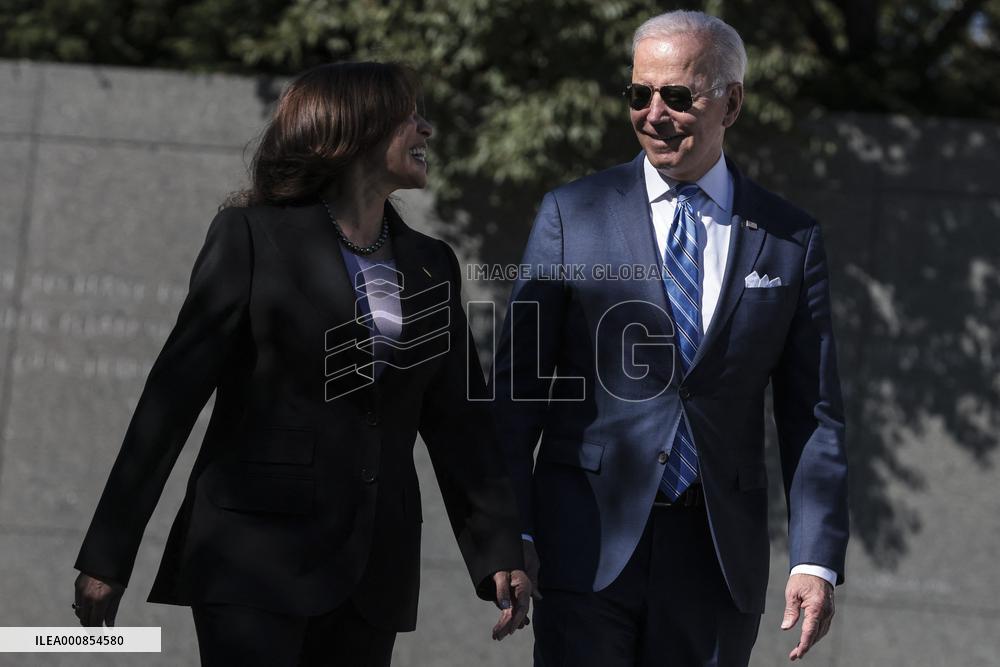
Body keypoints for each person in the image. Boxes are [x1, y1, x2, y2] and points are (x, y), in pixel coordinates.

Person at [73, 61, 531, 666]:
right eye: (410, 115)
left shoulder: (431, 263)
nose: (427, 129)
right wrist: (108, 554)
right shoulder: (251, 237)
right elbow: (170, 400)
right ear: (356, 128)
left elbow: (461, 427)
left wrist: (499, 548)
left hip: (374, 566)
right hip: (252, 557)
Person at [493, 10, 848, 667]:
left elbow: (814, 414)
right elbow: (517, 391)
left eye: (678, 96)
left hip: (715, 558)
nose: (654, 113)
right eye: (639, 94)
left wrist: (816, 557)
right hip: (585, 545)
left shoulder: (790, 238)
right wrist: (508, 530)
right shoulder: (572, 214)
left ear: (731, 102)